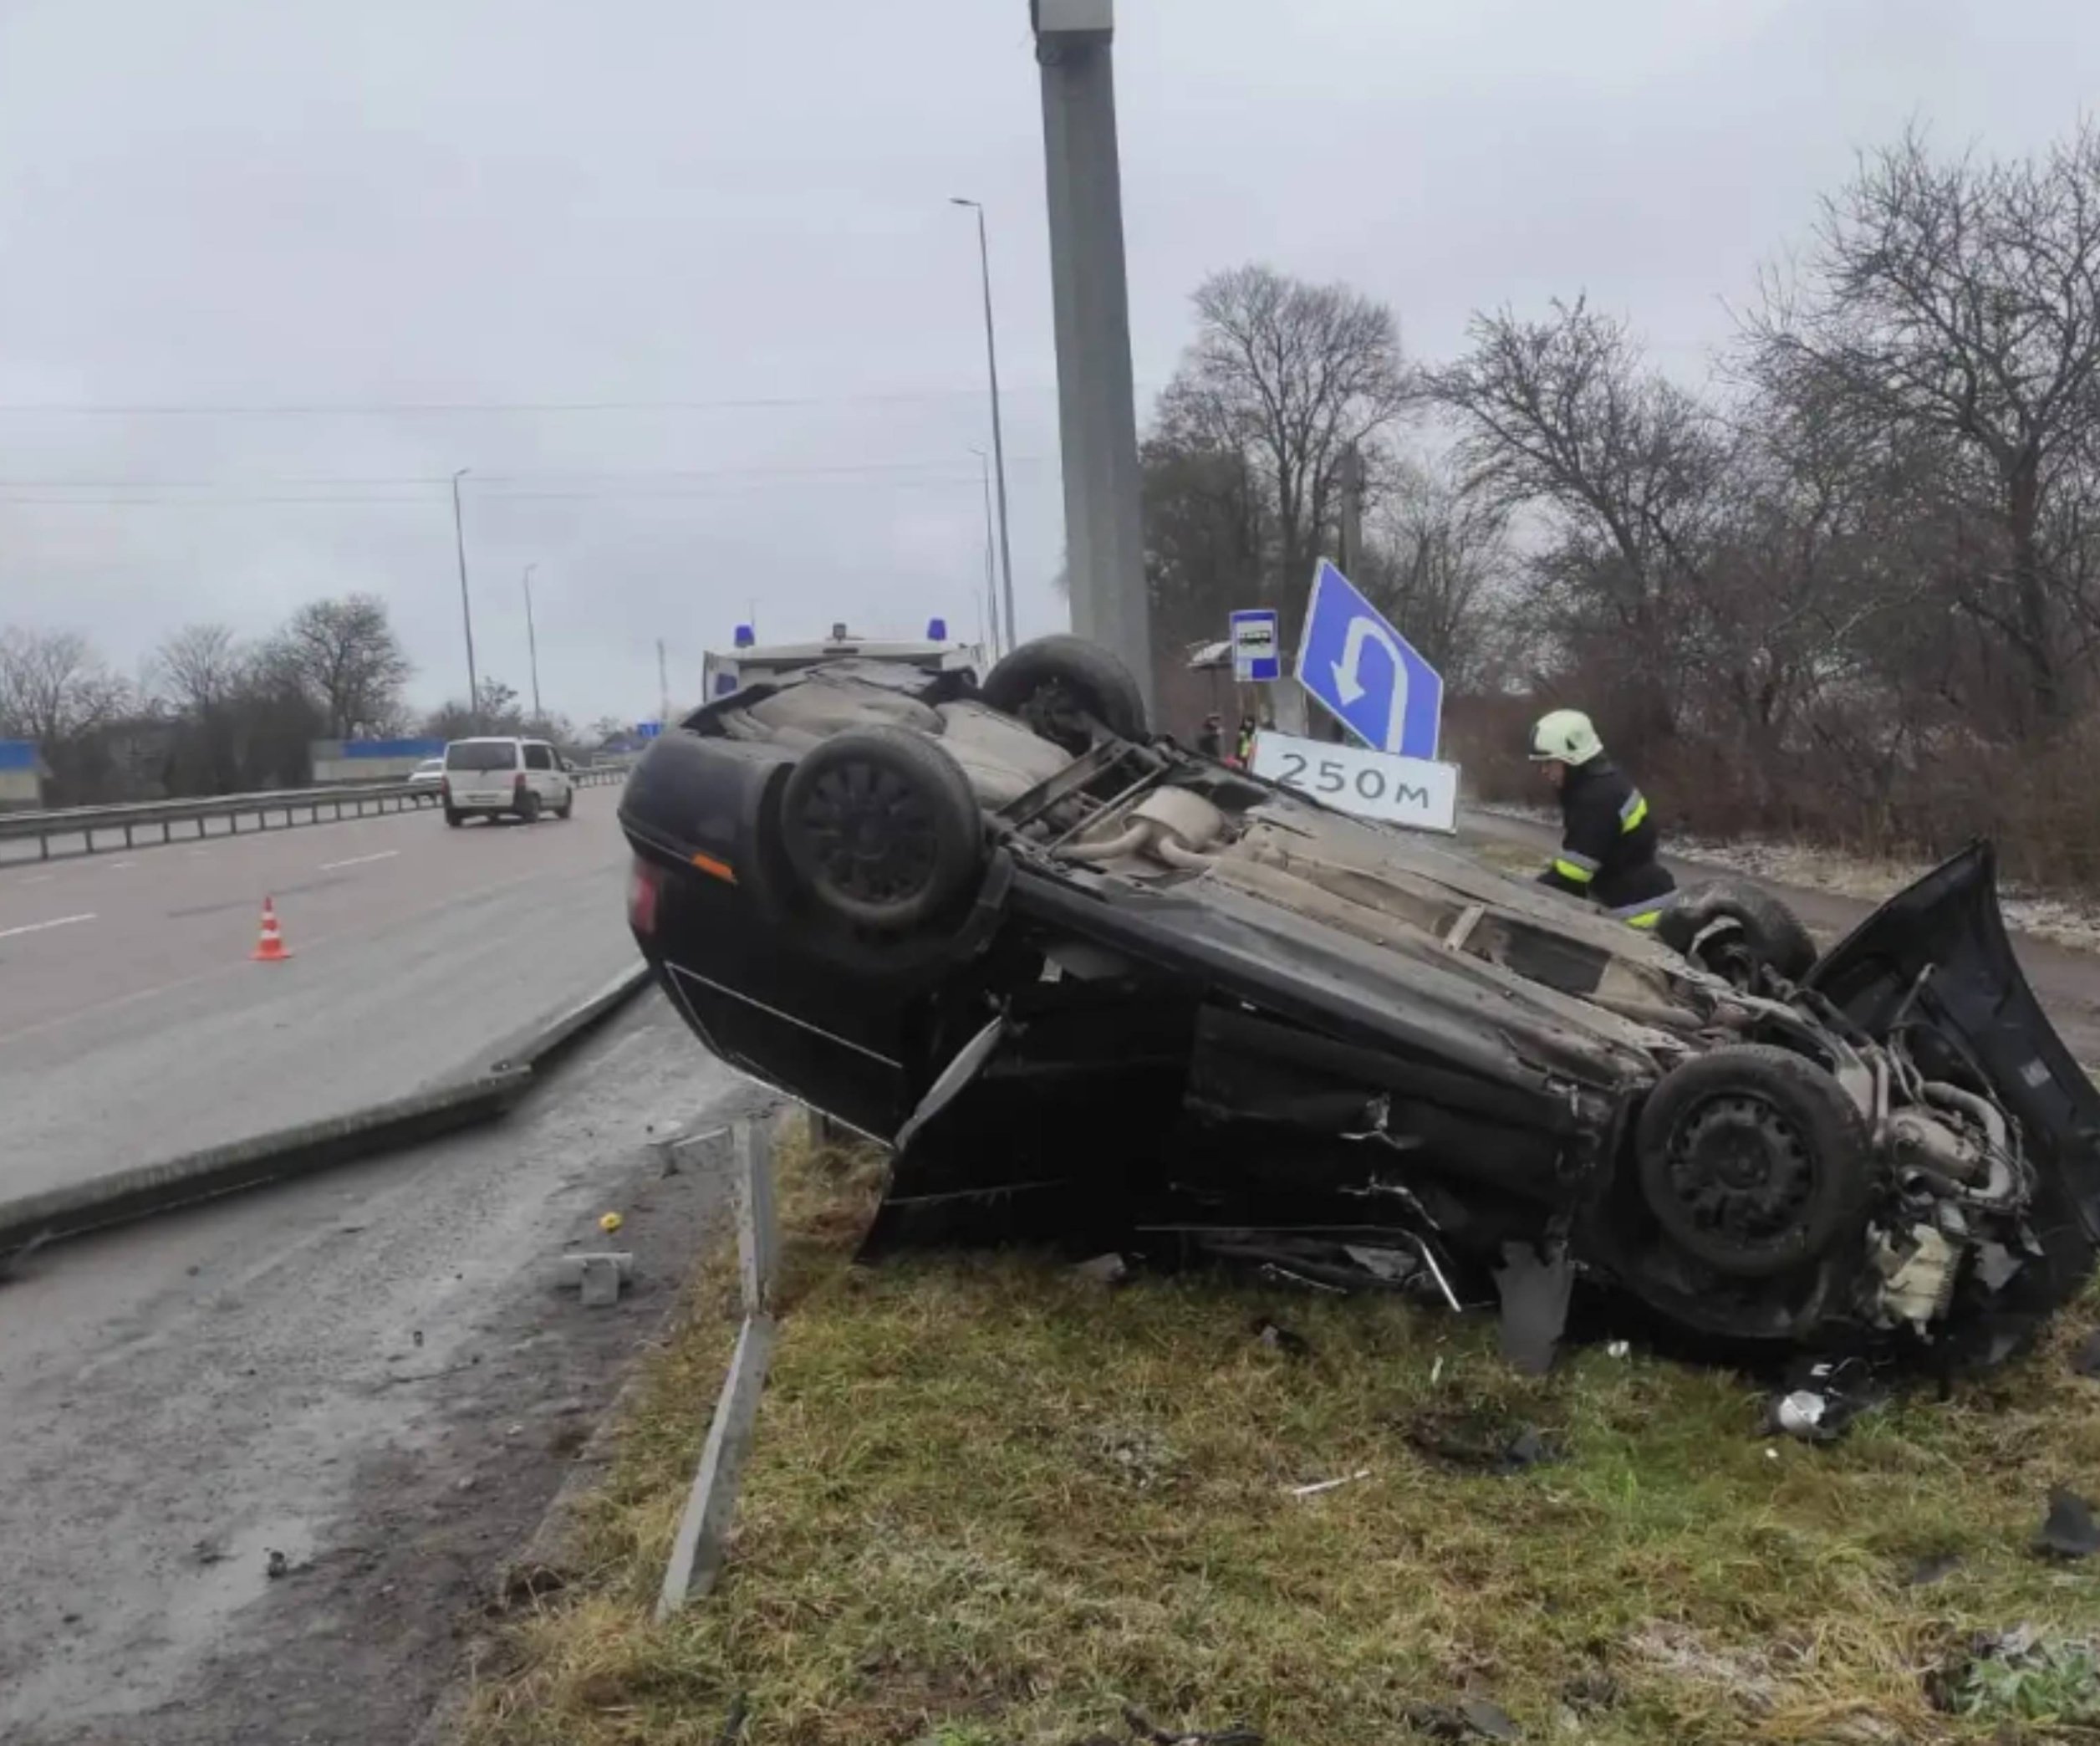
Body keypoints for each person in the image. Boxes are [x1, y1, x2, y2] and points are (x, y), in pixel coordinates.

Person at [1528, 708, 1675, 929]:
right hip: (1643, 898)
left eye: (1549, 762)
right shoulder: (1605, 784)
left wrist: (1526, 896)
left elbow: (1572, 876)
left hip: (1636, 915)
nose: (1543, 771)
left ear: (1572, 758)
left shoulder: (1596, 801)